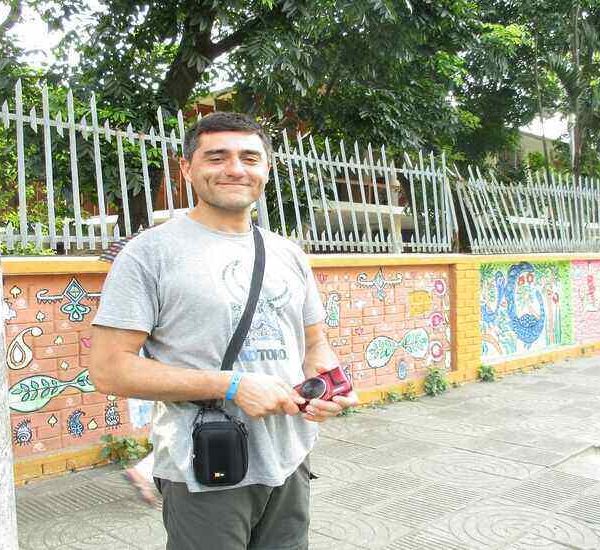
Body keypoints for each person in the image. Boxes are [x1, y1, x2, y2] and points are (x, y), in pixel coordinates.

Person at [90, 111, 358, 550]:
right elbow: (109, 370)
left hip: (290, 459)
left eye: (249, 157)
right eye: (217, 156)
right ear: (187, 168)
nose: (235, 168)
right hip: (204, 468)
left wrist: (330, 389)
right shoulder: (148, 255)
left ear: (266, 169)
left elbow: (315, 344)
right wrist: (232, 386)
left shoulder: (288, 253)